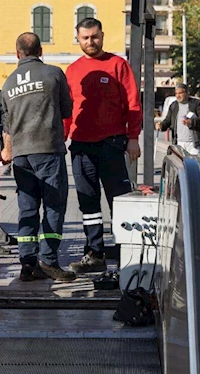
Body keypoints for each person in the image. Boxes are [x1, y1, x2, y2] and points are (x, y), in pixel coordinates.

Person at [64, 18, 142, 274]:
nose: (90, 42)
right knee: (88, 204)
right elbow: (68, 111)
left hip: (112, 144)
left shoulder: (118, 65)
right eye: (85, 38)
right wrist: (61, 140)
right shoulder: (73, 70)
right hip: (81, 146)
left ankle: (125, 254)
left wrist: (133, 137)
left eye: (94, 36)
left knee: (118, 201)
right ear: (78, 38)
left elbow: (132, 103)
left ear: (102, 35)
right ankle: (94, 254)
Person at [0, 33, 75, 282]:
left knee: (27, 209)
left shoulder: (8, 83)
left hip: (21, 154)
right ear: (40, 51)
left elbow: (7, 124)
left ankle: (28, 263)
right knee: (54, 205)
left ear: (17, 53)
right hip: (47, 149)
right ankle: (49, 261)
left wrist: (8, 149)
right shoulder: (54, 74)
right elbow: (66, 109)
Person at [157, 83, 200, 155]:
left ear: (187, 93)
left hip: (193, 143)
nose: (178, 96)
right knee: (180, 165)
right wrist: (161, 125)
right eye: (176, 93)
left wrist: (192, 122)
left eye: (180, 93)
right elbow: (168, 120)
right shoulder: (173, 106)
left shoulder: (196, 103)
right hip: (178, 143)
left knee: (194, 165)